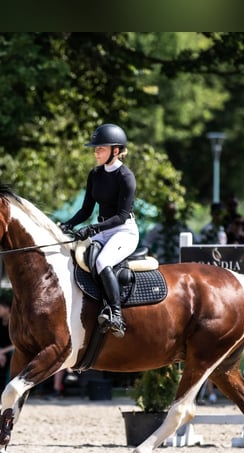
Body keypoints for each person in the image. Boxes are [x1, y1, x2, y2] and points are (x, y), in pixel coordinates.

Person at [59, 123, 139, 337]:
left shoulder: (126, 177)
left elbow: (121, 216)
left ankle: (116, 314)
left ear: (115, 150)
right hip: (102, 230)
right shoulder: (95, 174)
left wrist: (93, 229)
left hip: (124, 231)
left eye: (100, 149)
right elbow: (86, 209)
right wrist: (68, 224)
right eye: (95, 149)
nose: (96, 152)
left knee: (103, 261)